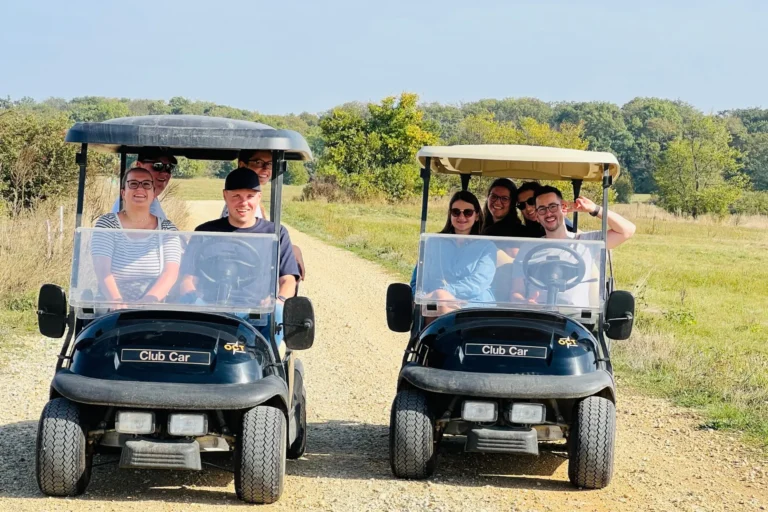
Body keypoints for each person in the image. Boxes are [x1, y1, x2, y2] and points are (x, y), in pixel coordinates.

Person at [180, 167, 300, 357]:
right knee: (181, 303)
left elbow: (288, 280)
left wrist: (278, 300)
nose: (243, 203)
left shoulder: (275, 234)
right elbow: (187, 278)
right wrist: (196, 299)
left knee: (277, 312)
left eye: (250, 196)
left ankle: (269, 366)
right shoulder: (205, 232)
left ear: (258, 198)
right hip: (210, 308)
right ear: (225, 196)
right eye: (236, 196)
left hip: (257, 312)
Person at [510, 185, 636, 305]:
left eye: (553, 207)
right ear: (537, 216)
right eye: (542, 209)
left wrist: (594, 209)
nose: (548, 214)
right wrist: (525, 303)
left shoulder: (586, 242)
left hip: (576, 318)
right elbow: (516, 292)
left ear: (563, 208)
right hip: (540, 317)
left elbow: (627, 230)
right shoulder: (528, 248)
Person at [92, 167, 182, 305]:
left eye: (146, 184)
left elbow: (170, 273)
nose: (140, 189)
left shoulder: (167, 229)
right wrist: (118, 302)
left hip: (151, 309)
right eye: (133, 184)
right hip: (112, 308)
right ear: (123, 192)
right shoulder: (107, 224)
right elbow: (103, 270)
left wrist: (147, 302)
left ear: (153, 194)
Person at [222, 149, 306, 283]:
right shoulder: (241, 208)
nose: (266, 168)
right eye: (258, 162)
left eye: (270, 163)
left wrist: (290, 249)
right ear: (242, 165)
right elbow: (243, 247)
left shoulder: (253, 204)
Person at [410, 191, 497, 317]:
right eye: (456, 212)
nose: (461, 217)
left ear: (477, 215)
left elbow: (477, 283)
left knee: (437, 305)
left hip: (473, 303)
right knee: (432, 307)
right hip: (434, 302)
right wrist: (422, 297)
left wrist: (443, 293)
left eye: (468, 212)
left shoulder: (487, 247)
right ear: (450, 215)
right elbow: (418, 280)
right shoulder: (433, 242)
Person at [110, 151, 177, 220]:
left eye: (169, 167)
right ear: (139, 166)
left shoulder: (150, 201)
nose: (164, 173)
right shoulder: (136, 204)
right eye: (157, 166)